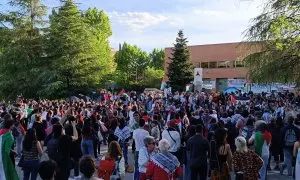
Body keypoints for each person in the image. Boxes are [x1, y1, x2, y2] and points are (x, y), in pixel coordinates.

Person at [0, 114, 19, 180]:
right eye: (13, 125)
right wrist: (13, 152)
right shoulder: (9, 136)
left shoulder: (1, 131)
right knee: (7, 172)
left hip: (2, 154)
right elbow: (6, 150)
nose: (14, 126)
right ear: (10, 125)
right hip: (5, 157)